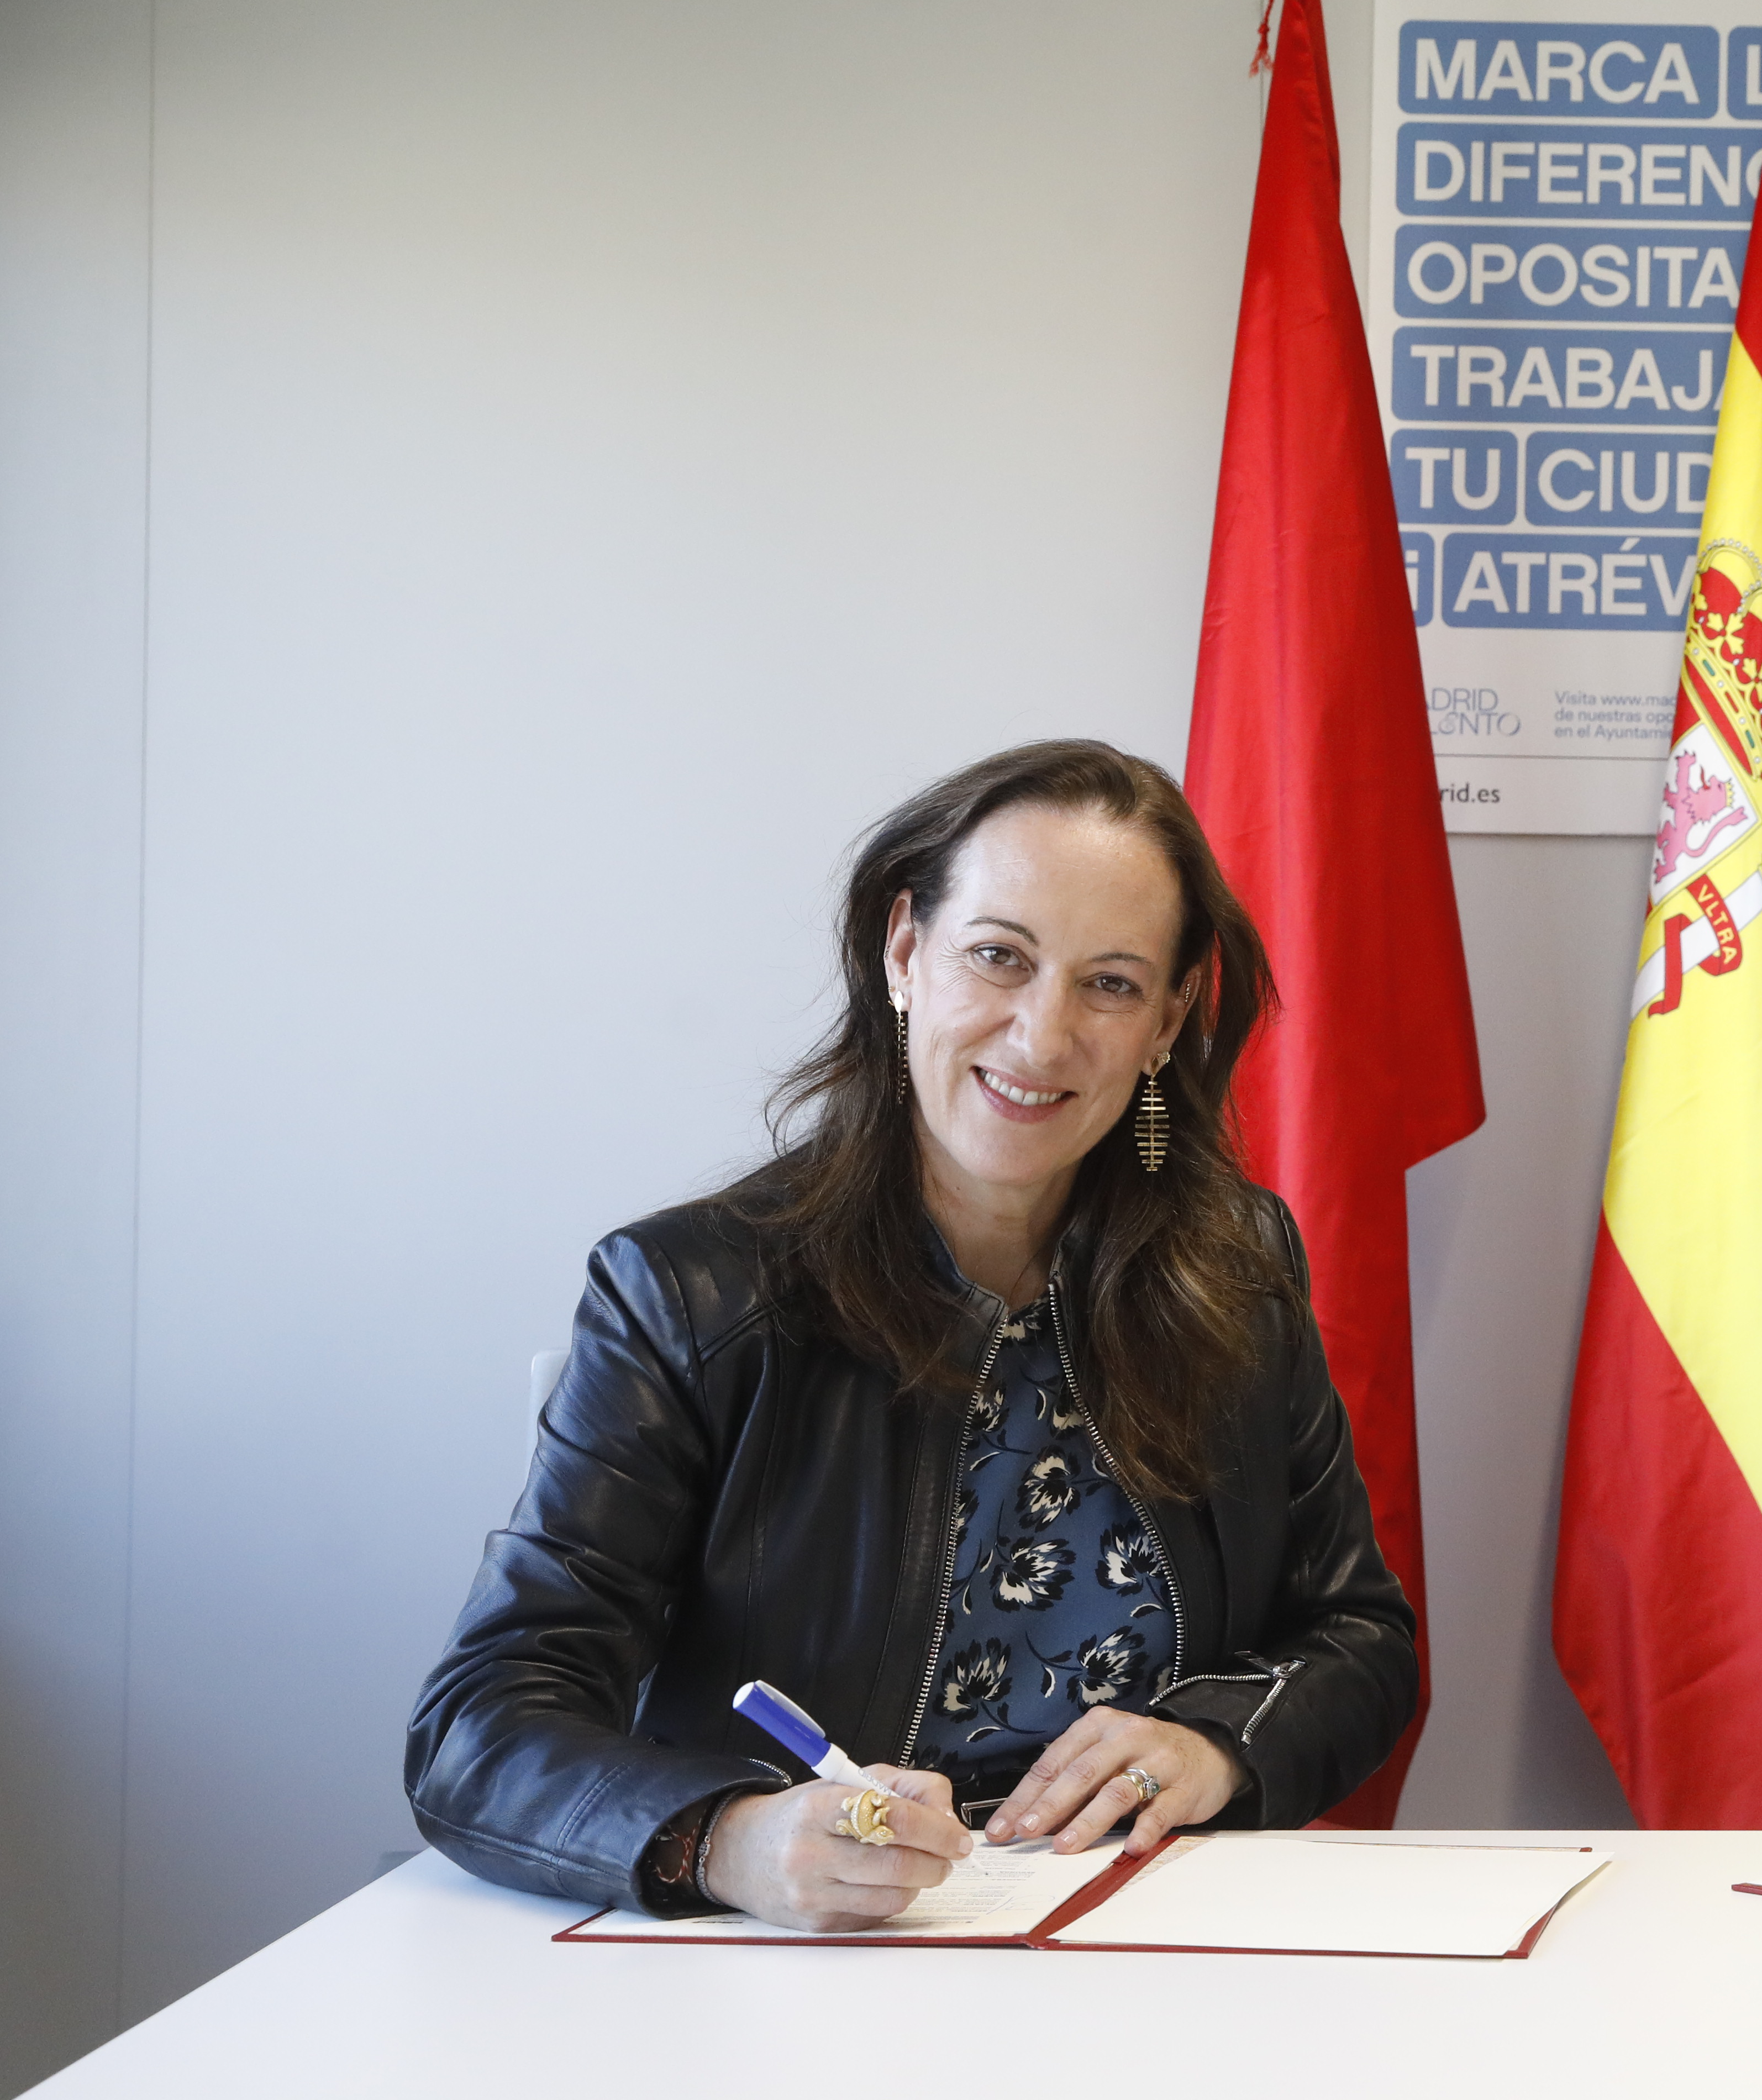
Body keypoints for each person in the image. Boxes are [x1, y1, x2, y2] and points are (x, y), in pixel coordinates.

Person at [407, 740, 1416, 1929]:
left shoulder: (1234, 1267)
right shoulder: (688, 1292)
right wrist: (731, 1839)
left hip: (1147, 1928)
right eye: (1000, 956)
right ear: (904, 953)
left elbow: (1360, 1636)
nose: (1042, 1037)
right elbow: (482, 1723)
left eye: (1110, 983)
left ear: (1169, 1019)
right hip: (819, 1954)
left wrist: (1213, 1744)